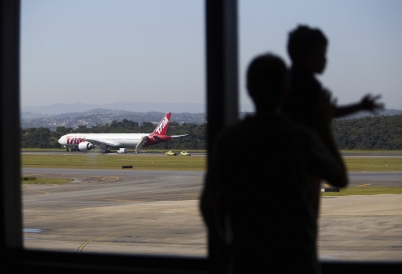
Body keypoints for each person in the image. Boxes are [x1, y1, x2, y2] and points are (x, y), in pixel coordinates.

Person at [200, 53, 348, 274]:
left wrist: (222, 246)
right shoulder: (301, 137)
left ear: (249, 89)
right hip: (297, 257)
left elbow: (208, 202)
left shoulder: (230, 139)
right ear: (286, 90)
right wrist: (324, 126)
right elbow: (340, 178)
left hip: (248, 258)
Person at [283, 25, 384, 218]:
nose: (325, 60)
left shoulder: (289, 81)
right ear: (305, 57)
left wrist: (359, 106)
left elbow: (325, 112)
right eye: (321, 55)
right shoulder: (308, 85)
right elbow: (325, 115)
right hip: (305, 157)